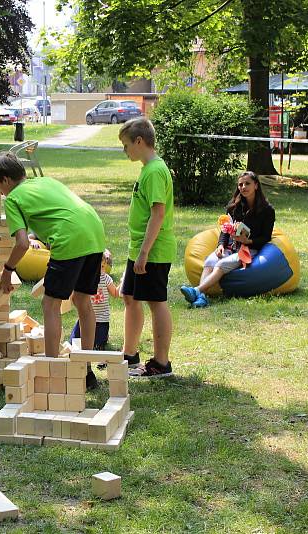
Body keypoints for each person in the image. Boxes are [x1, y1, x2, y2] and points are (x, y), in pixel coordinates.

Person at [0, 152, 106, 390]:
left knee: (50, 304)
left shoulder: (13, 199)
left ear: (5, 180)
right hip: (94, 232)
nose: (0, 194)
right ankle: (86, 371)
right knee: (83, 300)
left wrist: (7, 270)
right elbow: (55, 213)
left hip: (70, 240)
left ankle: (52, 372)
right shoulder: (45, 181)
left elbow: (22, 244)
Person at [118, 117, 175, 378]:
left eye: (126, 145)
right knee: (129, 298)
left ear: (139, 141)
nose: (125, 150)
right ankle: (128, 355)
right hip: (138, 248)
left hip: (152, 251)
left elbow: (158, 214)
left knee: (156, 302)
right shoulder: (147, 168)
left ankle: (161, 364)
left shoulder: (154, 171)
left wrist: (144, 253)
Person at [181, 171, 275, 308]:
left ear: (256, 185)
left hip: (249, 249)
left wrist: (248, 241)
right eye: (240, 184)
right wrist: (221, 245)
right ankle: (202, 298)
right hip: (231, 246)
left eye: (247, 183)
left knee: (221, 264)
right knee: (210, 261)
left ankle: (196, 290)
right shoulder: (234, 206)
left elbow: (266, 237)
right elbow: (225, 229)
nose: (243, 187)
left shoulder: (267, 210)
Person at [69, 249, 119, 350]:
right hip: (84, 318)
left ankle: (104, 336)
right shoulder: (85, 280)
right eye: (98, 268)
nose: (101, 271)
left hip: (102, 319)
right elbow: (75, 297)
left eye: (103, 267)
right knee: (73, 341)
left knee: (98, 345)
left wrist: (122, 285)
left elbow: (115, 293)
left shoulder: (106, 278)